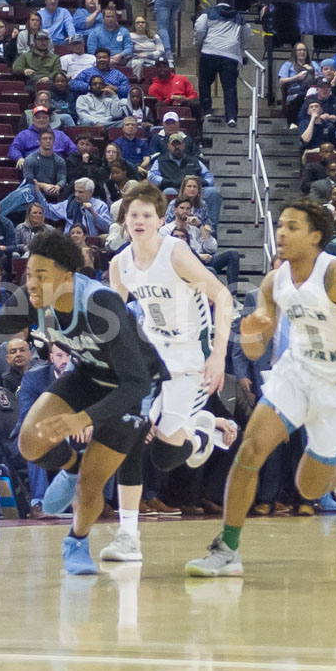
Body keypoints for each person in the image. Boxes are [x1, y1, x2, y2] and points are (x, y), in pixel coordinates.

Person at [0, 229, 171, 574]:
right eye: (28, 274)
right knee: (30, 441)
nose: (32, 283)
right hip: (88, 374)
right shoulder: (30, 301)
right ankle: (72, 465)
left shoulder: (101, 306)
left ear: (67, 278)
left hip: (134, 389)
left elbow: (137, 382)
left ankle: (77, 541)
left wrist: (82, 418)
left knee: (91, 484)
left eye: (41, 275)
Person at [185, 198, 336, 577]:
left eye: (292, 227)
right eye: (280, 225)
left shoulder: (335, 276)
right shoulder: (275, 280)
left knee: (309, 489)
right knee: (251, 449)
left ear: (316, 236)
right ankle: (227, 548)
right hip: (297, 372)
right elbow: (257, 345)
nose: (281, 233)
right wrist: (250, 333)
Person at [99, 182, 234, 560]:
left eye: (146, 215)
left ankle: (201, 434)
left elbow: (222, 296)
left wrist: (219, 355)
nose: (139, 220)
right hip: (152, 356)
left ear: (160, 220)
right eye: (133, 214)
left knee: (164, 456)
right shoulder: (119, 263)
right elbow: (115, 322)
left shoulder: (175, 253)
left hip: (192, 358)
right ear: (124, 219)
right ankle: (128, 537)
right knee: (128, 434)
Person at [194, 0, 250, 128]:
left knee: (204, 81)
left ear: (217, 1)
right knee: (230, 87)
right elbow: (247, 33)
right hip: (231, 55)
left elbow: (200, 27)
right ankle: (231, 117)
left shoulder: (208, 12)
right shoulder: (239, 17)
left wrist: (198, 43)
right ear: (229, 3)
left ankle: (207, 110)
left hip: (209, 51)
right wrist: (241, 46)